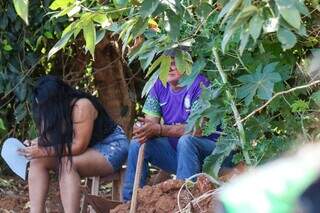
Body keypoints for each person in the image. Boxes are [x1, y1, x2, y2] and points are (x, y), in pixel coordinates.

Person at [17, 75, 129, 213]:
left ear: (55, 101)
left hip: (111, 146)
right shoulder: (58, 112)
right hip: (87, 149)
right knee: (37, 161)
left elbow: (78, 146)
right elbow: (52, 137)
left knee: (67, 162)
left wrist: (43, 151)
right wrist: (34, 144)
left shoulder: (81, 106)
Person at [122, 49, 221, 201]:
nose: (169, 68)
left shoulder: (200, 84)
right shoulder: (158, 85)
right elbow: (150, 126)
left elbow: (198, 130)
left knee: (187, 141)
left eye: (175, 63)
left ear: (188, 64)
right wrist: (143, 129)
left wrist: (160, 129)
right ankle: (129, 203)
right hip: (179, 156)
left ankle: (183, 201)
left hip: (212, 156)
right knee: (138, 142)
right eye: (166, 64)